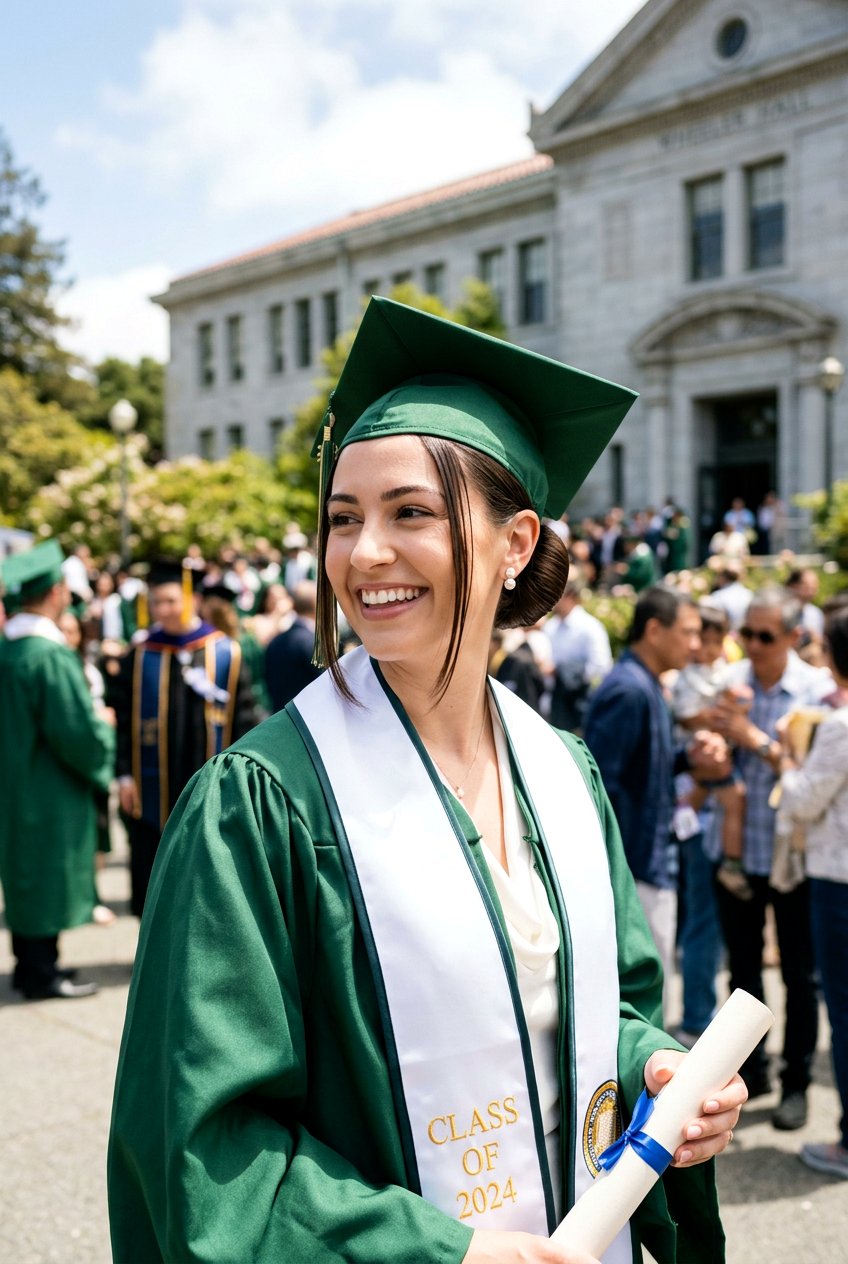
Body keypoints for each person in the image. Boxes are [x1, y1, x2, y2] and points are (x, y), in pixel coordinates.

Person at [109, 299, 742, 1264]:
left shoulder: (561, 775)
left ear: (517, 543)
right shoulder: (261, 807)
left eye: (410, 513)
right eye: (342, 518)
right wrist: (452, 1253)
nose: (363, 555)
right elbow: (208, 1152)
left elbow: (598, 1009)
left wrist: (652, 1069)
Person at [708, 586, 834, 1130]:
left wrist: (754, 740)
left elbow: (810, 774)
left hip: (790, 857)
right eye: (745, 634)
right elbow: (705, 761)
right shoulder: (729, 684)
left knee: (800, 976)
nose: (751, 646)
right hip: (738, 848)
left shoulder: (817, 694)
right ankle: (751, 1070)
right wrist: (711, 747)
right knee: (741, 971)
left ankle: (796, 1082)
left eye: (763, 636)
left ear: (793, 637)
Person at [584, 587, 728, 1021]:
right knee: (640, 1001)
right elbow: (597, 786)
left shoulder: (644, 684)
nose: (696, 645)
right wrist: (616, 869)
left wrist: (688, 758)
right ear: (653, 630)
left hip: (647, 862)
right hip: (636, 867)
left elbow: (642, 770)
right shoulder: (629, 690)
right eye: (687, 633)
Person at [111, 559, 260, 917]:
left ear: (191, 600)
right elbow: (122, 719)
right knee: (153, 874)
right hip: (151, 793)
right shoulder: (142, 654)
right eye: (156, 602)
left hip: (209, 784)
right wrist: (124, 774)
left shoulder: (225, 652)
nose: (163, 611)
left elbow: (246, 720)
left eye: (171, 601)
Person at [0, 541, 115, 1000]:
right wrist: (104, 737)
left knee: (24, 872)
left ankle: (28, 965)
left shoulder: (10, 652)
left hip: (15, 780)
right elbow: (76, 733)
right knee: (47, 873)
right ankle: (41, 973)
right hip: (48, 785)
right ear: (53, 593)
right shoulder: (47, 656)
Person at [779, 607, 848, 1179]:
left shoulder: (841, 726)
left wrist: (787, 757)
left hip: (837, 879)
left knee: (843, 1012)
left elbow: (802, 799)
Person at [544, 573, 612, 732]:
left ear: (571, 596)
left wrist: (568, 673)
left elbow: (601, 666)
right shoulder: (550, 627)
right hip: (554, 703)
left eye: (556, 594)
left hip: (579, 704)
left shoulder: (590, 627)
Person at [264, 579, 323, 712]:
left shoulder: (275, 641)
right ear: (316, 605)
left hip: (279, 717)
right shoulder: (313, 642)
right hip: (309, 720)